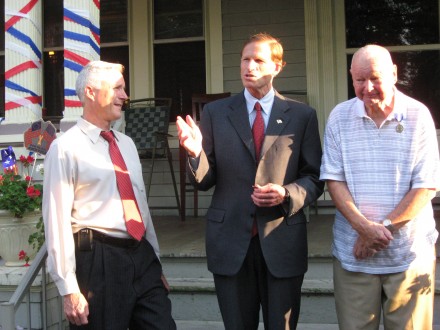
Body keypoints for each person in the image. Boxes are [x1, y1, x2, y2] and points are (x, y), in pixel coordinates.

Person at [177, 33, 324, 329]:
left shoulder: (301, 115)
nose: (250, 66)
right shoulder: (216, 113)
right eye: (245, 59)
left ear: (277, 67)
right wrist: (195, 154)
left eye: (259, 60)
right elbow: (206, 180)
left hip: (281, 240)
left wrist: (286, 193)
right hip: (230, 242)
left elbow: (315, 177)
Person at [43, 61, 176, 329]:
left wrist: (155, 262)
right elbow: (56, 223)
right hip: (99, 261)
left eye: (123, 89)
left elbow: (139, 206)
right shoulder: (65, 148)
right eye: (117, 88)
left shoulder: (125, 144)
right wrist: (69, 288)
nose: (125, 96)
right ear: (91, 92)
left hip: (142, 257)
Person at [320, 44, 440, 329]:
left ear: (394, 74)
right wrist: (362, 228)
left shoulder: (417, 115)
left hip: (408, 255)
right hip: (354, 256)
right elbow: (334, 180)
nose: (368, 87)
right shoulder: (339, 116)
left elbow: (425, 187)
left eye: (375, 78)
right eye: (360, 80)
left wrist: (378, 232)